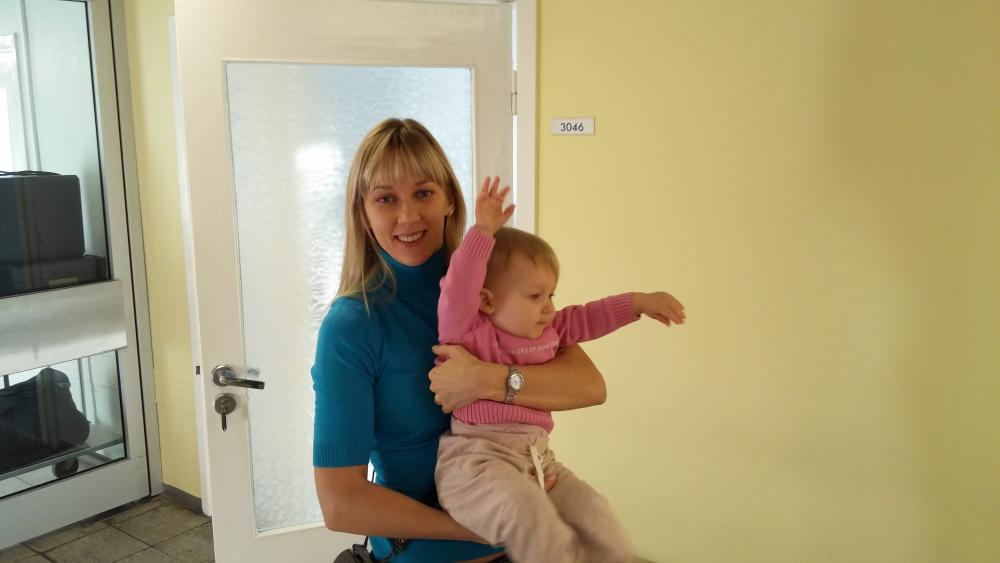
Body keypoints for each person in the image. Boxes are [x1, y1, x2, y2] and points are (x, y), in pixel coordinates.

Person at [312, 118, 611, 563]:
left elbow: (589, 385)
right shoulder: (353, 326)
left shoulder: (492, 284)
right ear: (363, 213)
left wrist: (488, 380)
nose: (408, 216)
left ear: (449, 199)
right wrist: (475, 530)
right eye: (386, 198)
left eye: (423, 193)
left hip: (527, 541)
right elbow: (340, 502)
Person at [432, 178, 687, 562]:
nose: (549, 306)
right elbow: (457, 288)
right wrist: (482, 231)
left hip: (538, 459)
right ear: (486, 300)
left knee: (595, 512)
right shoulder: (468, 329)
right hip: (476, 461)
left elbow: (589, 316)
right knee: (531, 517)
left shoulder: (549, 331)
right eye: (535, 296)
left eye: (551, 294)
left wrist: (637, 302)